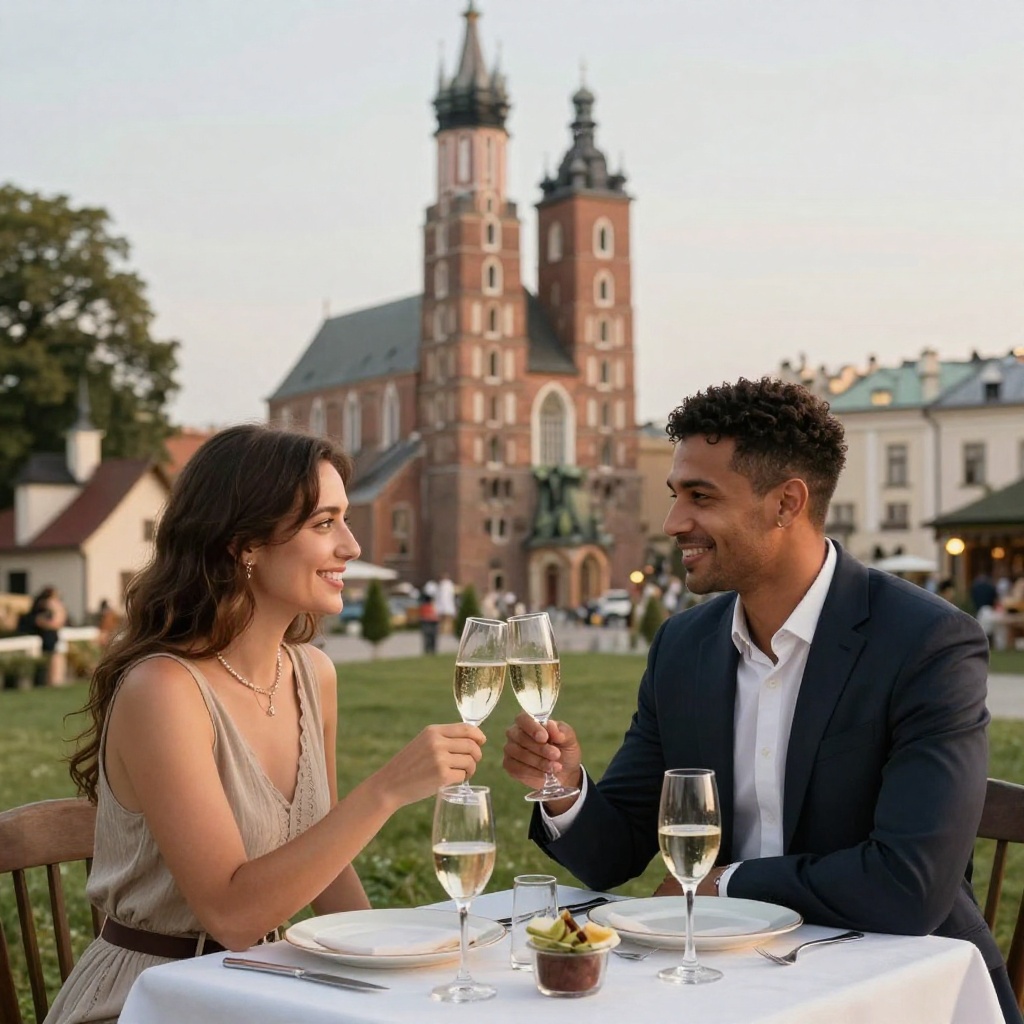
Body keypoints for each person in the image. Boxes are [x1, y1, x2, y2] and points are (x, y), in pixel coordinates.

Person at [502, 377, 1019, 1023]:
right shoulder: (684, 647)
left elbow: (910, 886)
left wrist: (728, 881)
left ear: (786, 503)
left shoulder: (926, 643)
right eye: (675, 495)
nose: (673, 523)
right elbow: (614, 855)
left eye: (700, 497)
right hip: (724, 981)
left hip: (902, 988)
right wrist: (562, 789)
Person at [46, 425, 485, 1024]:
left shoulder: (312, 673)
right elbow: (232, 915)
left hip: (264, 986)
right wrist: (385, 791)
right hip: (151, 998)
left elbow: (324, 863)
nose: (353, 546)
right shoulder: (164, 690)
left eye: (345, 520)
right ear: (245, 544)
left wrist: (398, 968)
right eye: (324, 523)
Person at [29, 586, 67, 687]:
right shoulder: (41, 609)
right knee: (52, 660)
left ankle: (55, 681)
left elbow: (58, 622)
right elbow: (39, 621)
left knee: (56, 659)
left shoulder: (54, 607)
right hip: (46, 638)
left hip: (52, 637)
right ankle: (53, 681)